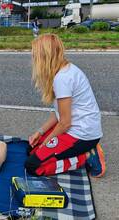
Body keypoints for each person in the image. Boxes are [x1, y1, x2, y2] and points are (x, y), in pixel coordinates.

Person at [25, 34, 105, 177]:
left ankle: (85, 156)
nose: (33, 60)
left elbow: (65, 123)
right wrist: (40, 132)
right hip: (74, 129)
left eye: (34, 56)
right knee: (31, 149)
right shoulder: (64, 70)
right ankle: (80, 153)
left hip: (82, 135)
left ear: (45, 57)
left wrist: (47, 142)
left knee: (33, 166)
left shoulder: (62, 78)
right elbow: (59, 114)